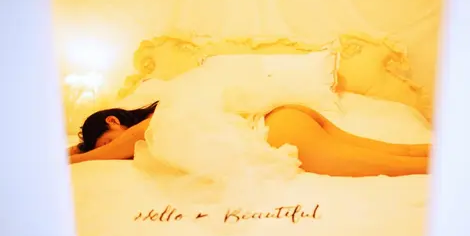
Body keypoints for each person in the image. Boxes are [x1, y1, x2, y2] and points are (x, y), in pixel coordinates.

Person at [68, 101, 430, 177]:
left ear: (113, 121)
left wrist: (73, 156)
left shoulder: (147, 125)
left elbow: (120, 146)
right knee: (393, 151)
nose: (112, 152)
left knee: (385, 163)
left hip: (277, 128)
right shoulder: (167, 110)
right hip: (286, 116)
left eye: (106, 142)